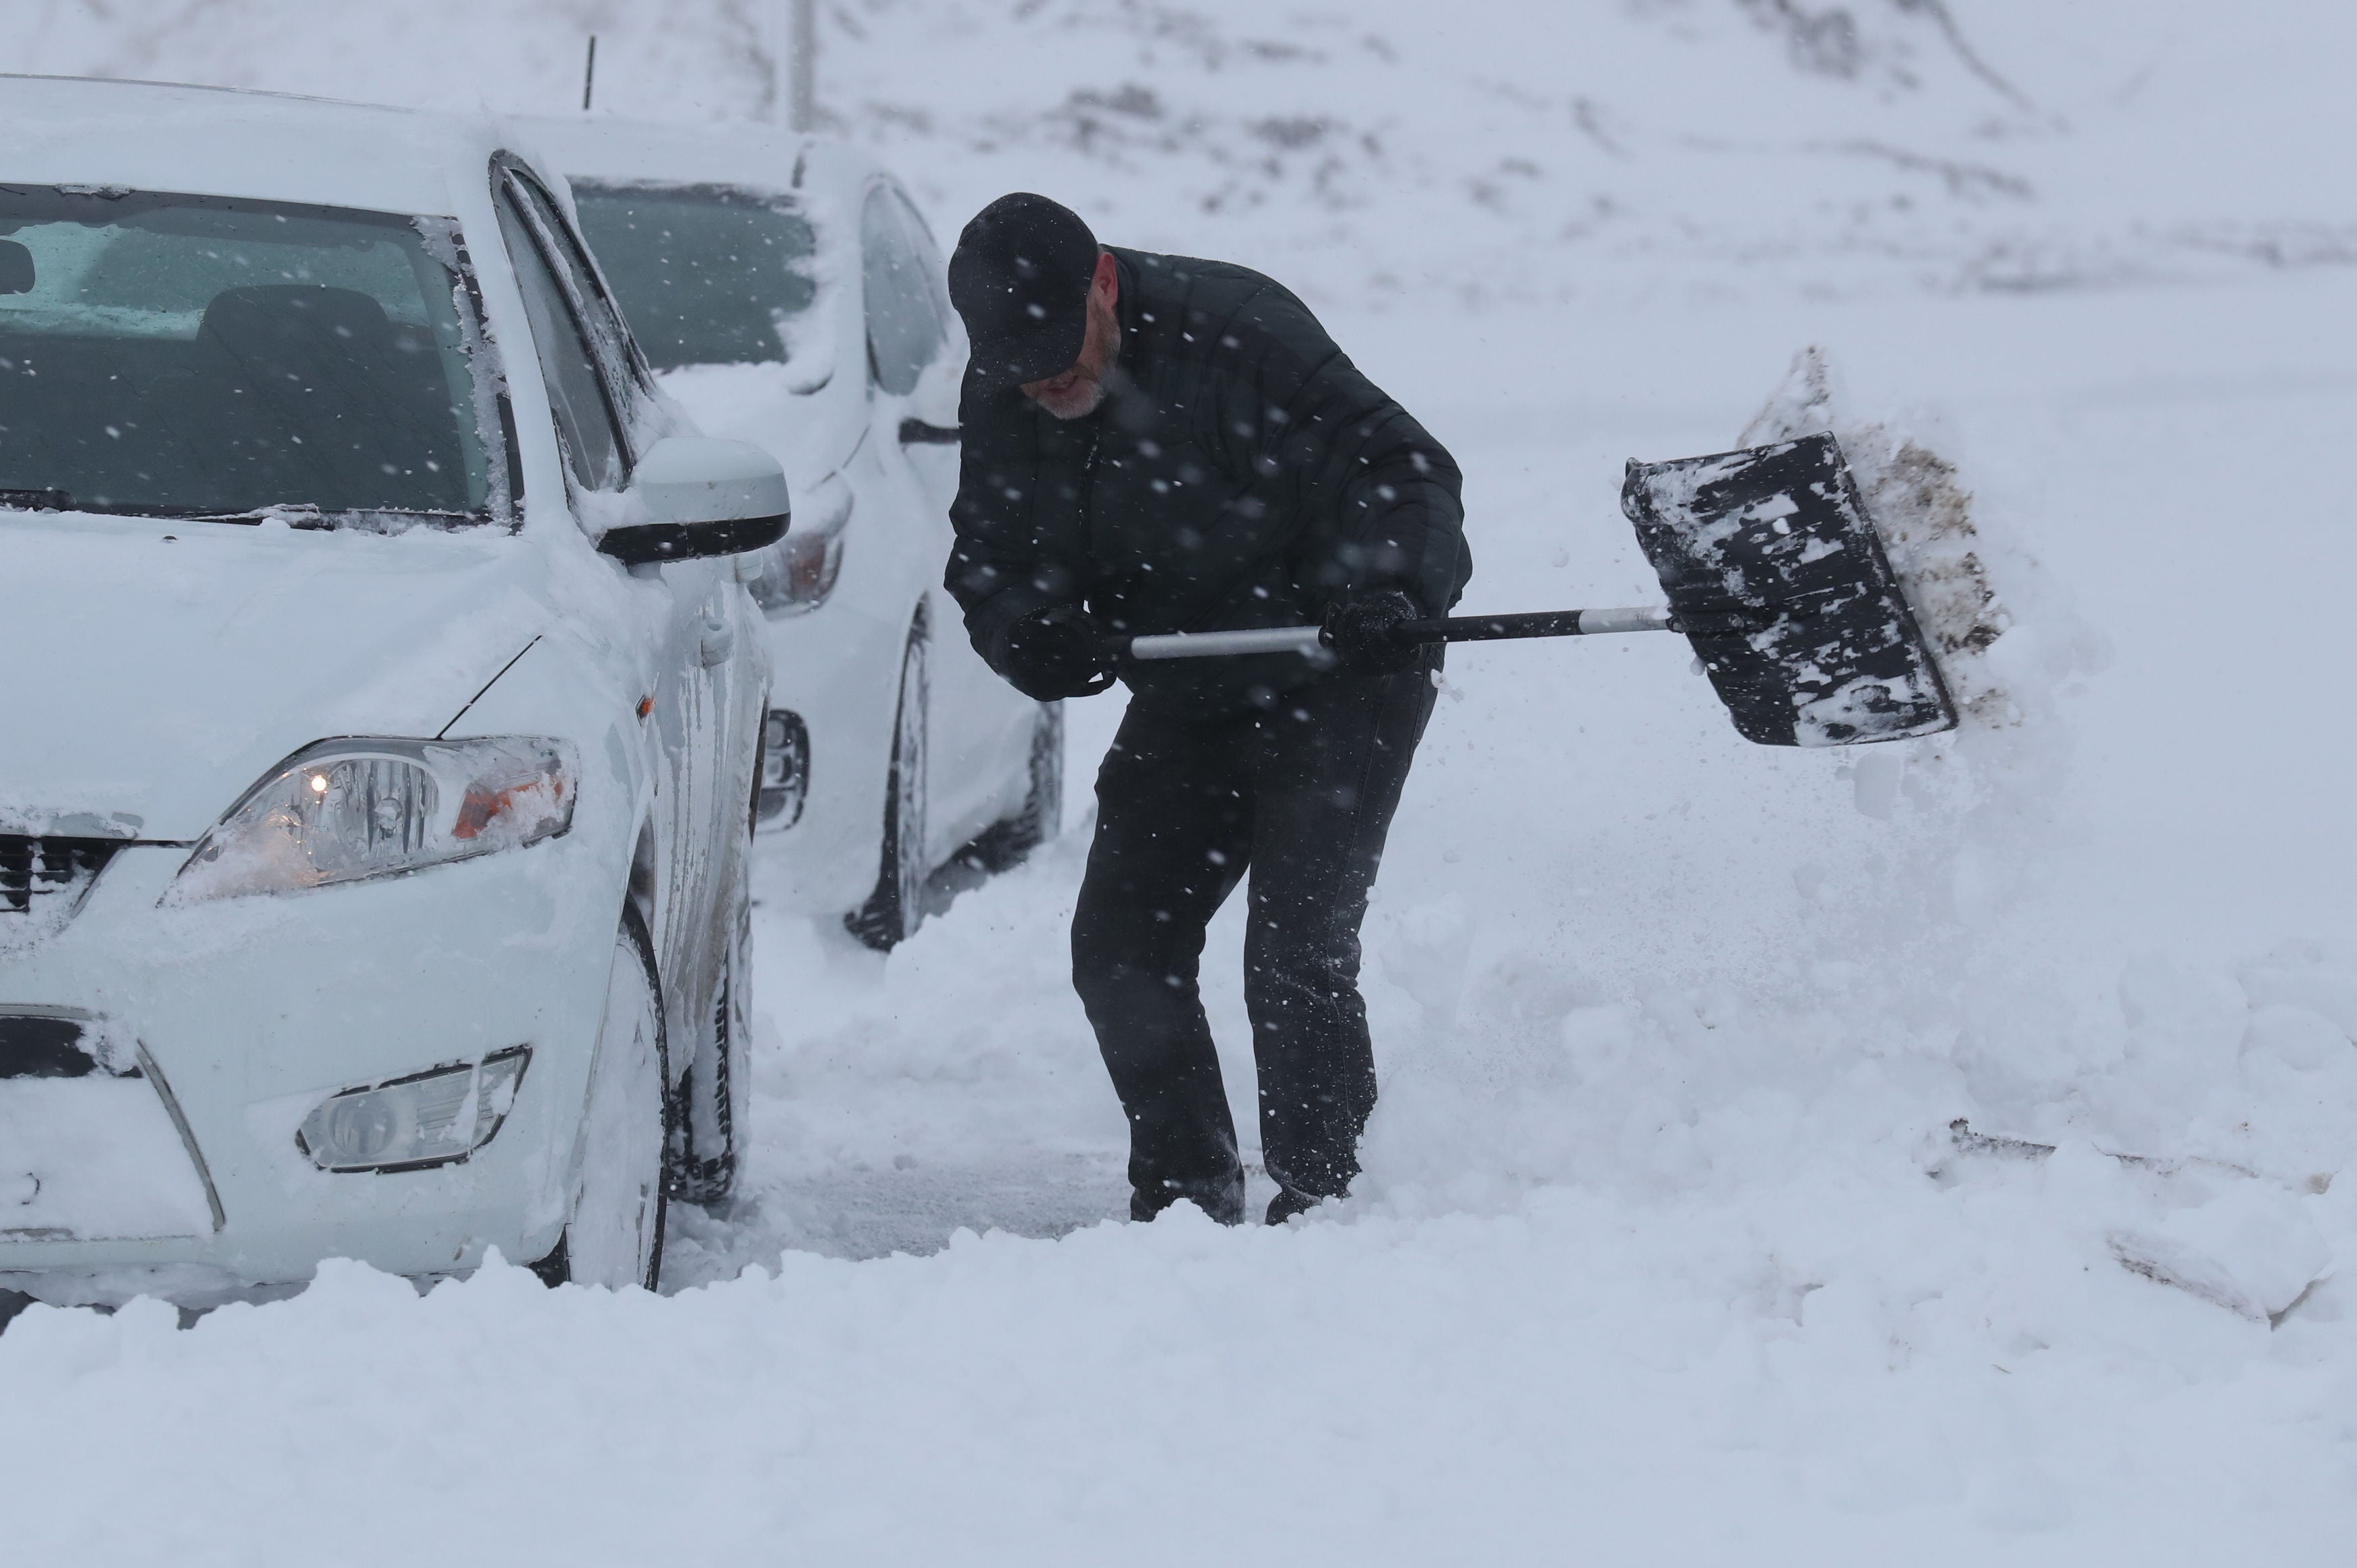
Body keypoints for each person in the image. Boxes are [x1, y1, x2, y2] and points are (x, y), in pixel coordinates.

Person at [943, 193, 1471, 1225]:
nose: (1046, 381)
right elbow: (991, 560)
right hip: (1192, 682)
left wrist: (1392, 588)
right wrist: (1032, 630)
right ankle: (1186, 1200)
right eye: (1022, 365)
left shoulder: (1237, 328)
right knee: (1122, 948)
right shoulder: (1011, 383)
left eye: (1061, 351)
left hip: (1343, 665)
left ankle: (1330, 1203)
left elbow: (1405, 468)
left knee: (1294, 952)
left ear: (1101, 281)